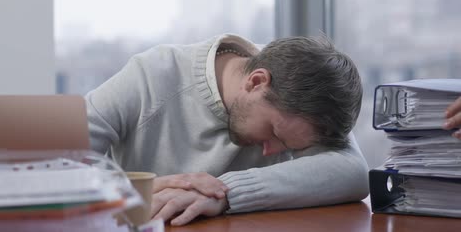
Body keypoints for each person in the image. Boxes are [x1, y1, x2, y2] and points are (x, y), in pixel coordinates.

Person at [86, 34, 368, 226]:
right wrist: (140, 191)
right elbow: (46, 158)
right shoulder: (150, 75)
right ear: (256, 82)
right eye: (274, 132)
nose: (270, 151)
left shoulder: (307, 92)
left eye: (292, 149)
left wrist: (225, 194)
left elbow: (353, 172)